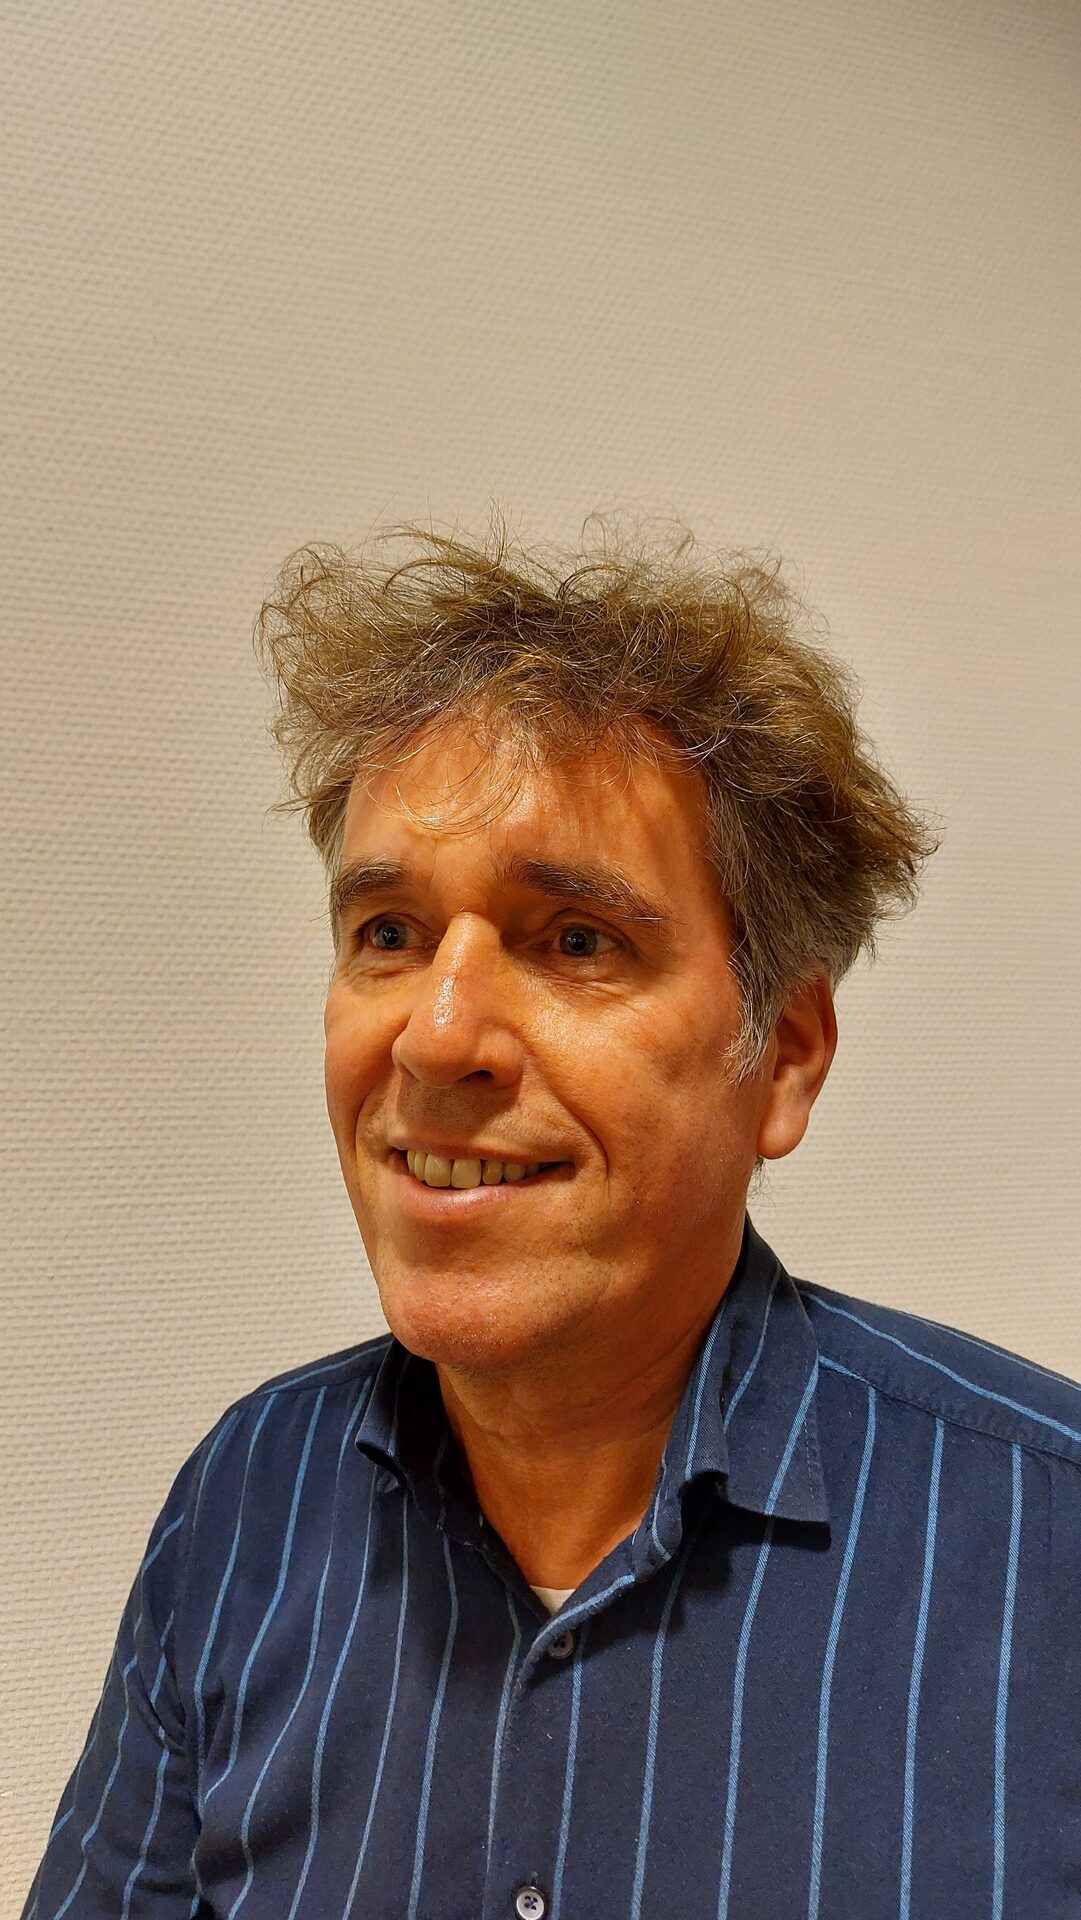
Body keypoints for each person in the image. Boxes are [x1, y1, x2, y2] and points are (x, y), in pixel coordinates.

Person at [22, 514, 1081, 1920]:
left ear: (785, 1055)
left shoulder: (1048, 1547)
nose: (436, 1035)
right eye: (388, 935)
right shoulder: (243, 1508)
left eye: (575, 940)